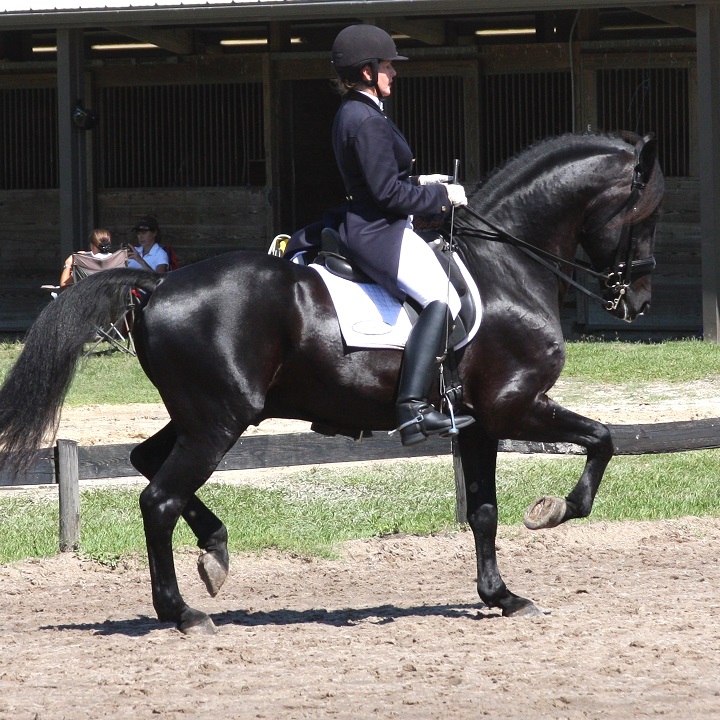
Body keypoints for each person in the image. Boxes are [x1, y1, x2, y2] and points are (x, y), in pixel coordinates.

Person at [330, 24, 474, 446]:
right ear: (368, 70)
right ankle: (413, 409)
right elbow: (388, 196)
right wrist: (440, 196)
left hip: (372, 219)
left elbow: (383, 179)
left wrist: (420, 180)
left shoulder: (356, 112)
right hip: (379, 230)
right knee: (444, 299)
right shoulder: (366, 119)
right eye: (388, 66)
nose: (395, 72)